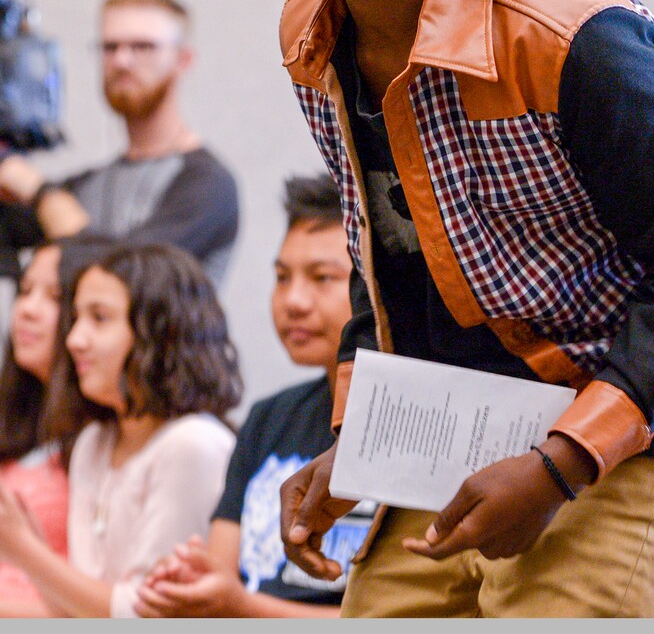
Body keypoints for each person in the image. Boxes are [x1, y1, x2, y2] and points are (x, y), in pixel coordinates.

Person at [270, 0, 654, 618]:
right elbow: (380, 257)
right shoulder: (311, 32)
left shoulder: (573, 38)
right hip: (444, 451)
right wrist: (356, 446)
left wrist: (559, 463)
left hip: (624, 443)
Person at [133, 173, 375, 618]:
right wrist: (193, 579)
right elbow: (223, 577)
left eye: (322, 277)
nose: (294, 300)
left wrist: (241, 607)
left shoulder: (408, 424)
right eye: (283, 277)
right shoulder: (268, 417)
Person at [0, 242, 243, 617]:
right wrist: (26, 542)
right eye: (76, 318)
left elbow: (149, 614)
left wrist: (25, 550)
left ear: (159, 332)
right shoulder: (94, 442)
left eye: (99, 318)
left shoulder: (193, 443)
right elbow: (72, 613)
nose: (74, 340)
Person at [0, 0, 240, 291]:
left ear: (183, 60)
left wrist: (39, 191)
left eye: (142, 47)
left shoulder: (206, 184)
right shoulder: (89, 184)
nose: (122, 60)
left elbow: (123, 280)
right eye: (110, 47)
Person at [0, 238, 109, 617]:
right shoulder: (16, 418)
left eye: (53, 297)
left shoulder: (105, 435)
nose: (26, 310)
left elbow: (113, 608)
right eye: (25, 291)